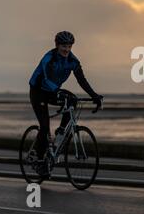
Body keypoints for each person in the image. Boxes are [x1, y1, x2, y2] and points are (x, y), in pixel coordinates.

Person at [29, 31, 103, 175]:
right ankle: (38, 159)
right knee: (44, 127)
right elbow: (48, 79)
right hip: (38, 92)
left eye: (69, 46)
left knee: (73, 100)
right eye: (64, 46)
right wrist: (57, 91)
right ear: (57, 45)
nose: (67, 50)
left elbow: (81, 80)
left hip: (53, 91)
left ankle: (61, 131)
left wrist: (94, 96)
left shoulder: (73, 61)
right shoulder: (49, 58)